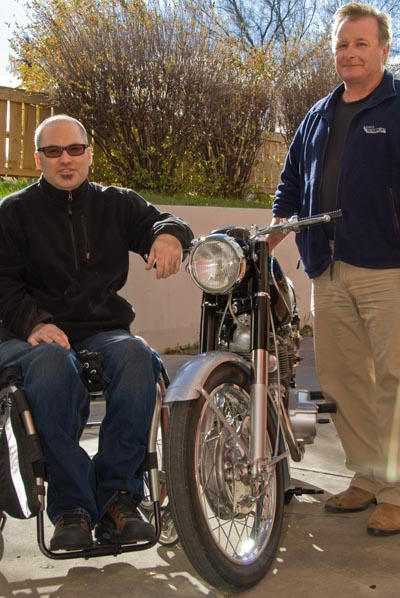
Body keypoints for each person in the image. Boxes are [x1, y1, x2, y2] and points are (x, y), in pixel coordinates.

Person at [0, 115, 193, 550]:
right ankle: (71, 507)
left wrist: (168, 235)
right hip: (26, 334)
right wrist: (34, 323)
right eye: (53, 151)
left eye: (74, 149)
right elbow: (2, 283)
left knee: (136, 356)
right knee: (52, 363)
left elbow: (163, 221)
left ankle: (118, 499)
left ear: (89, 155)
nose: (65, 159)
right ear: (38, 160)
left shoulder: (117, 204)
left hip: (101, 329)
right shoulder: (13, 212)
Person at [270, 3, 400, 535]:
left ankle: (396, 488)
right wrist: (277, 228)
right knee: (342, 379)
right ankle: (368, 476)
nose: (349, 53)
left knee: (394, 378)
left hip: (387, 265)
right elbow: (290, 181)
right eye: (342, 45)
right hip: (325, 264)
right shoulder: (318, 114)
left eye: (360, 44)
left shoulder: (397, 106)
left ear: (384, 50)